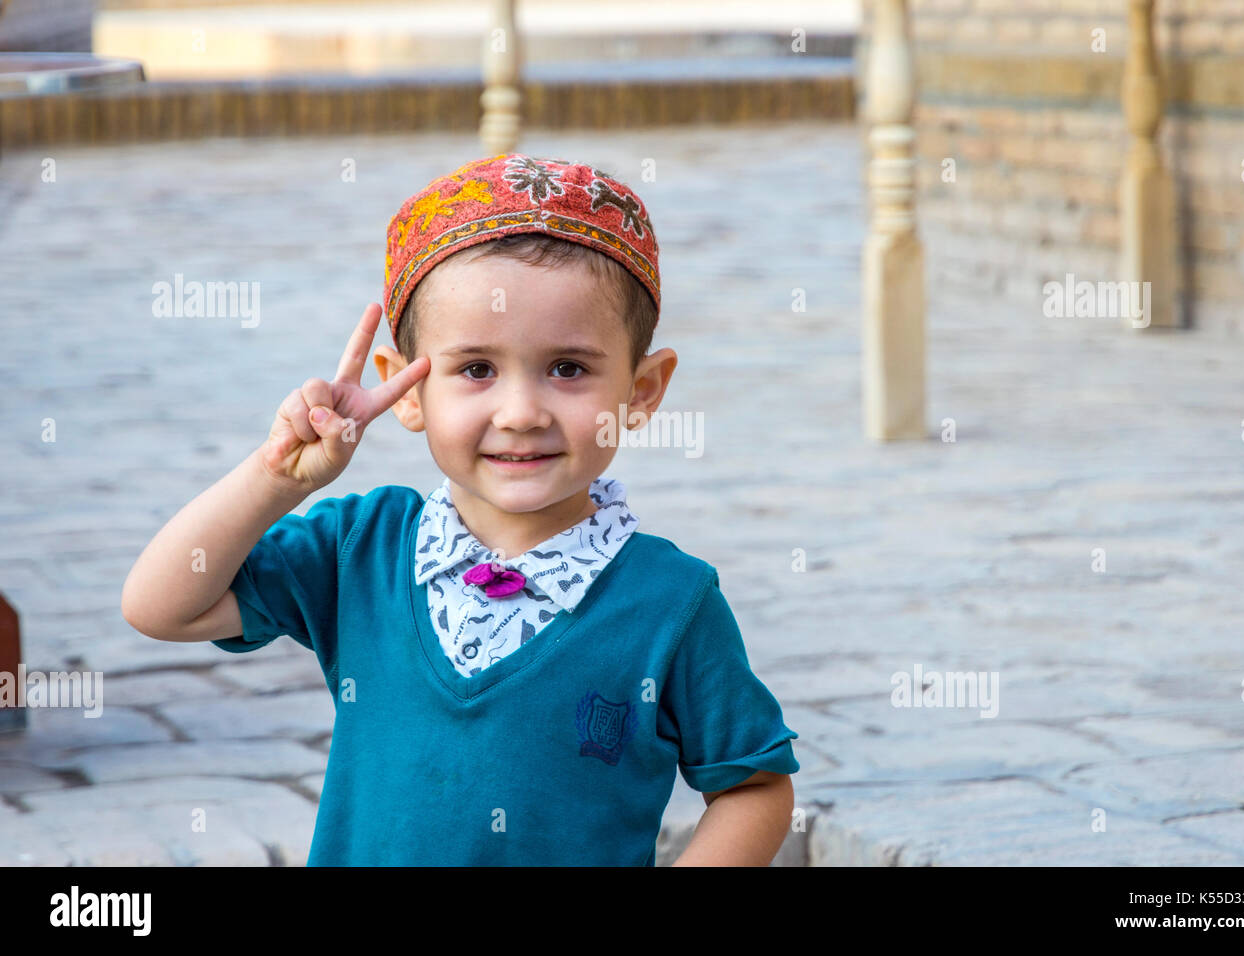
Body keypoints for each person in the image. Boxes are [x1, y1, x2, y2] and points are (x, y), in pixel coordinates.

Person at [121, 153, 799, 866]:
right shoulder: (361, 550)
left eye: (568, 369)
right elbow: (160, 607)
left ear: (642, 389)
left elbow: (754, 786)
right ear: (406, 391)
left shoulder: (670, 602)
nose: (520, 412)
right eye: (476, 369)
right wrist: (278, 480)